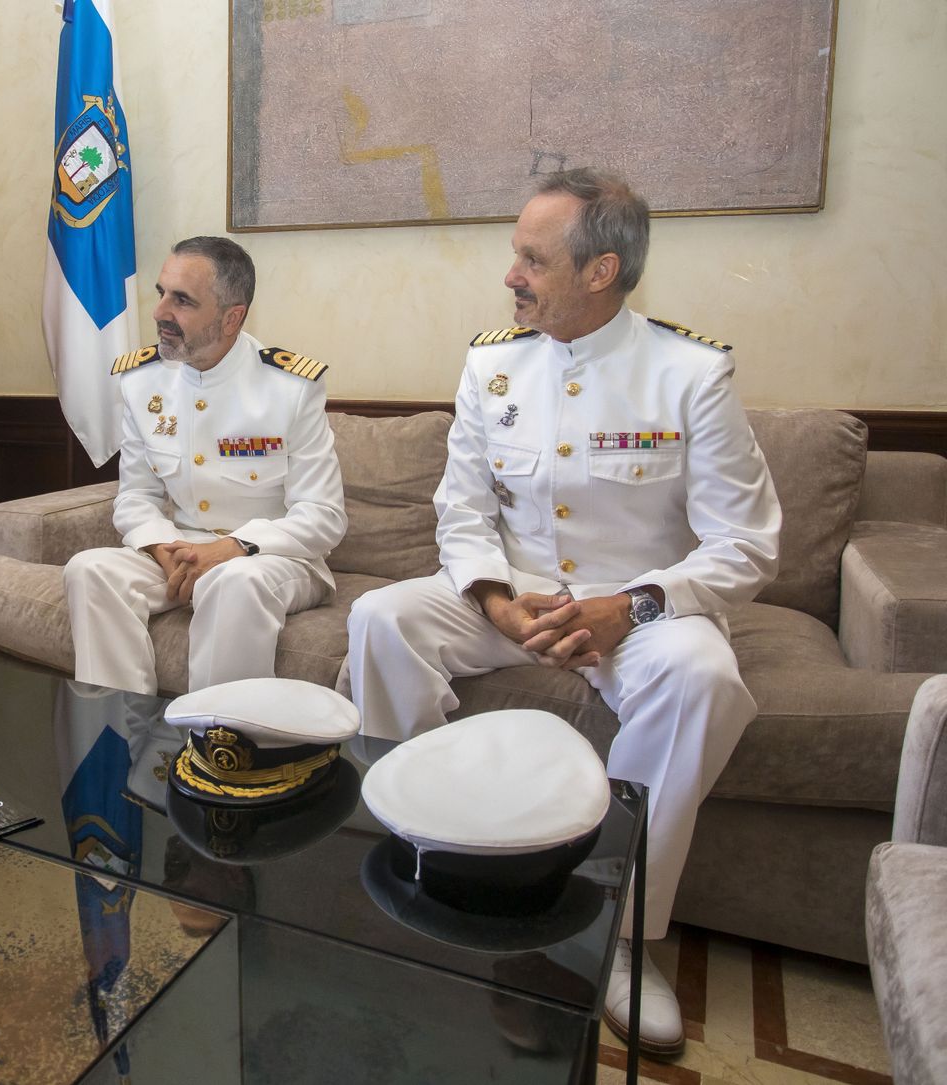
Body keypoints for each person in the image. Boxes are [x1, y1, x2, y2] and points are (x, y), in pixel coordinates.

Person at [343, 169, 781, 1057]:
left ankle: (613, 937)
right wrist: (496, 601)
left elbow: (747, 544)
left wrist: (637, 604)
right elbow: (461, 509)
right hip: (517, 595)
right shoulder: (492, 364)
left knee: (704, 675)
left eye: (531, 259)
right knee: (383, 617)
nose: (511, 274)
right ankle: (432, 852)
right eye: (516, 254)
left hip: (638, 609)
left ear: (600, 270)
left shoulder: (690, 374)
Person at [63, 236, 346, 696]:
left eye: (182, 301)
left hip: (274, 558)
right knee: (89, 570)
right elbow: (135, 496)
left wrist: (232, 548)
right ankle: (120, 734)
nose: (159, 313)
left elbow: (323, 517)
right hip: (183, 549)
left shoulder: (289, 387)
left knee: (233, 582)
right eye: (161, 294)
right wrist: (162, 547)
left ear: (232, 317)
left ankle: (221, 747)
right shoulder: (141, 381)